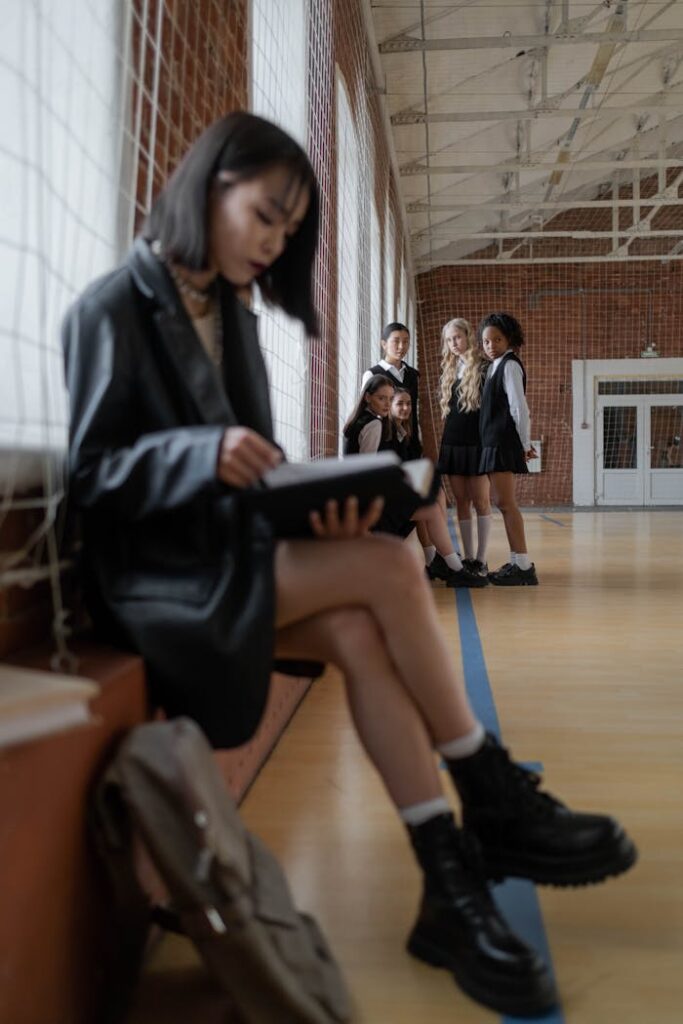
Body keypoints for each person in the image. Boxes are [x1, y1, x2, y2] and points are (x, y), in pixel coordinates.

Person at [62, 112, 636, 1018]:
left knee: (366, 624)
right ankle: (490, 793)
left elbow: (259, 467)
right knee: (386, 571)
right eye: (264, 214)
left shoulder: (236, 320)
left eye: (289, 229)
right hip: (153, 581)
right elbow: (90, 475)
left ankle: (446, 887)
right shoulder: (110, 306)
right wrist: (198, 458)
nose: (274, 240)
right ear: (206, 186)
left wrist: (321, 501)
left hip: (229, 556)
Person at [343, 381, 485, 588]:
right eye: (383, 399)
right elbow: (367, 473)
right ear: (367, 397)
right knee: (432, 508)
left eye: (390, 399)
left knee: (432, 497)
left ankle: (442, 561)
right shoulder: (374, 425)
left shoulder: (364, 421)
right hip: (368, 504)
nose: (387, 404)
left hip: (366, 496)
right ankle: (454, 568)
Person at [478, 312, 539, 586]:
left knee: (506, 504)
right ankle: (517, 562)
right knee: (503, 504)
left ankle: (523, 566)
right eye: (486, 341)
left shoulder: (510, 365)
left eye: (497, 339)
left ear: (510, 339)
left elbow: (519, 408)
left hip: (503, 441)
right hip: (493, 442)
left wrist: (525, 444)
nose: (491, 345)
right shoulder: (493, 366)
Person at [436, 318, 491, 577]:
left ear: (469, 336)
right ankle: (467, 558)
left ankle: (481, 559)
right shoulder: (449, 369)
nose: (454, 343)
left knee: (481, 501)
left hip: (477, 443)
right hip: (453, 442)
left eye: (457, 337)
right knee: (461, 501)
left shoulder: (485, 367)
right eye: (449, 340)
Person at [362, 322, 420, 442]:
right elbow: (366, 412)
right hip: (384, 441)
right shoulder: (372, 374)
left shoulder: (414, 375)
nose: (401, 346)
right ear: (384, 344)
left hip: (410, 441)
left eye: (405, 341)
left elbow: (414, 411)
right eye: (396, 341)